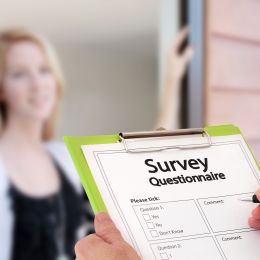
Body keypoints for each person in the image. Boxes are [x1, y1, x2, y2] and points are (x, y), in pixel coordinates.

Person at [0, 28, 93, 260]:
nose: (38, 84)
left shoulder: (63, 156)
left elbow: (126, 180)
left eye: (44, 70)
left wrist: (171, 83)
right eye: (19, 74)